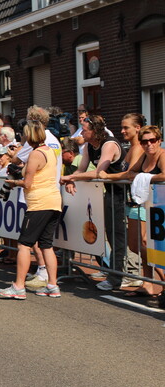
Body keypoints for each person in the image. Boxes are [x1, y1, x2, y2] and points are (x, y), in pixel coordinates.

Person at [98, 125, 165, 300]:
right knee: (135, 245)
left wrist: (145, 177)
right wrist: (107, 176)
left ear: (159, 140)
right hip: (139, 205)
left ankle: (159, 280)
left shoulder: (162, 155)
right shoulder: (143, 156)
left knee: (148, 244)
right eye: (145, 141)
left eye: (152, 140)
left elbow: (164, 175)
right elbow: (130, 173)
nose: (149, 144)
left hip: (157, 206)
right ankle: (148, 282)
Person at [0, 120, 62, 299]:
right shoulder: (49, 151)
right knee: (46, 245)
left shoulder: (35, 154)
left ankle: (18, 286)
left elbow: (27, 183)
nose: (22, 137)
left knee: (24, 244)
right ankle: (52, 285)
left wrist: (13, 183)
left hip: (39, 203)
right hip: (53, 201)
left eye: (24, 134)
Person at [61, 115, 127, 291]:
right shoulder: (90, 146)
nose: (81, 133)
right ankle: (117, 274)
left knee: (119, 238)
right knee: (112, 236)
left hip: (122, 195)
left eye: (85, 129)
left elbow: (98, 172)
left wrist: (71, 177)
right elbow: (81, 170)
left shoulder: (109, 144)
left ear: (96, 131)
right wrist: (71, 180)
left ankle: (118, 277)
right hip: (108, 195)